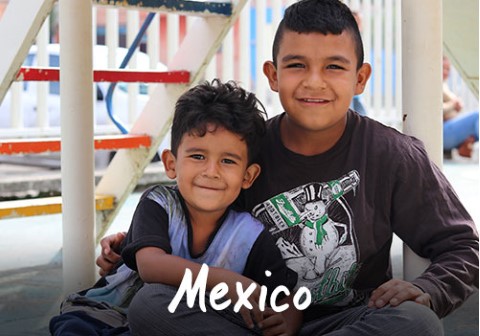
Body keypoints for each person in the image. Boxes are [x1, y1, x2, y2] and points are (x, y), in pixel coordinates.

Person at [98, 0, 479, 335]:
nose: (314, 82)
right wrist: (131, 242)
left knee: (418, 323)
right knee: (153, 303)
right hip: (249, 319)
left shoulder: (392, 155)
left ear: (360, 78)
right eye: (297, 65)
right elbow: (193, 208)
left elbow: (462, 246)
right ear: (273, 74)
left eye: (334, 66)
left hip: (348, 320)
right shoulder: (240, 151)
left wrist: (429, 289)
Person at [50, 79, 300, 336]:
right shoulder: (159, 203)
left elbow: (285, 294)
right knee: (86, 324)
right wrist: (227, 281)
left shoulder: (249, 234)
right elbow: (151, 266)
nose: (211, 172)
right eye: (198, 156)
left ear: (248, 176)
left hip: (186, 324)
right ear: (171, 163)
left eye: (227, 161)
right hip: (108, 315)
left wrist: (288, 319)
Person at [442, 55, 479, 158]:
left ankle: (466, 145)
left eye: (448, 69)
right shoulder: (432, 85)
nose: (445, 72)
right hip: (442, 133)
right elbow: (433, 111)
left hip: (449, 131)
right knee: (477, 116)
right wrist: (453, 105)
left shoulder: (444, 86)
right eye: (442, 68)